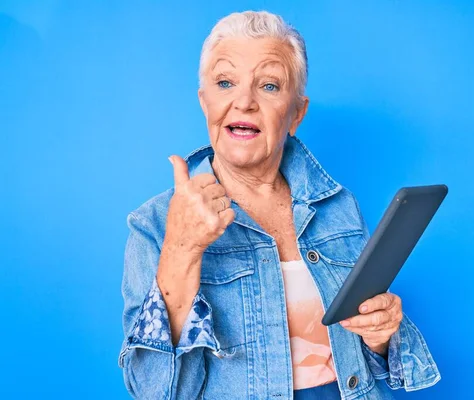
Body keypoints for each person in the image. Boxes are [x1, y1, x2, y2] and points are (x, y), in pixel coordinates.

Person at [118, 10, 440, 399]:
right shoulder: (153, 225)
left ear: (296, 113)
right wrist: (181, 249)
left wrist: (382, 334)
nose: (244, 102)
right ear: (205, 103)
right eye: (225, 82)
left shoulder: (338, 206)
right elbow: (153, 391)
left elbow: (363, 350)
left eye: (269, 86)